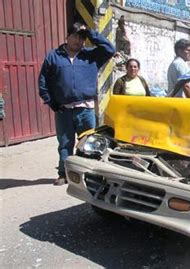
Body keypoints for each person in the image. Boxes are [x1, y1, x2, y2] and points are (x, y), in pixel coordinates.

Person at [38, 22, 115, 185]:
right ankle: (64, 174)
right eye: (74, 36)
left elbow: (110, 49)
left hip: (85, 109)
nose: (78, 41)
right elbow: (43, 82)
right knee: (65, 144)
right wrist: (51, 102)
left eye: (81, 38)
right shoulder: (54, 56)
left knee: (89, 143)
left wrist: (90, 33)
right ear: (67, 37)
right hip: (63, 110)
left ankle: (89, 173)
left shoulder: (91, 56)